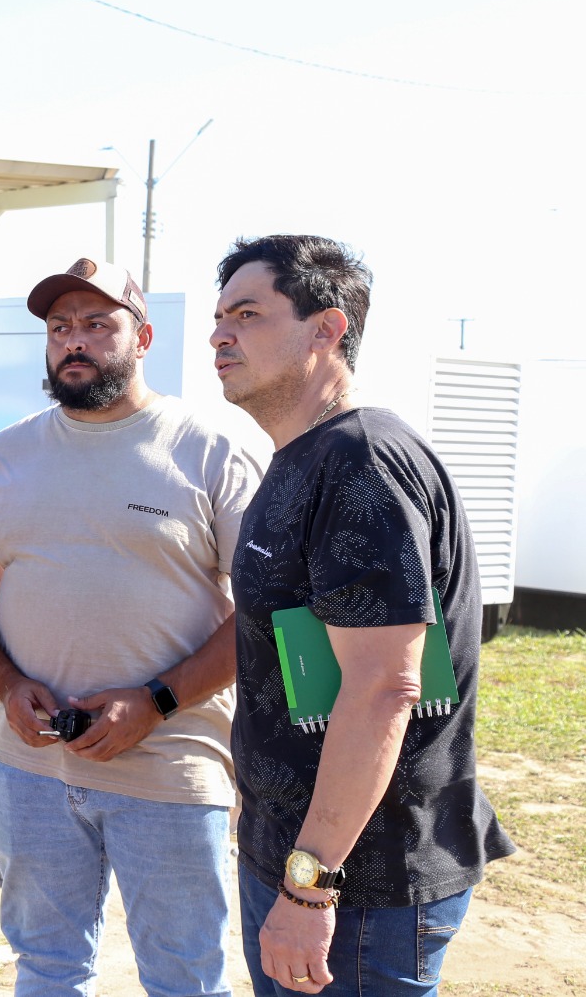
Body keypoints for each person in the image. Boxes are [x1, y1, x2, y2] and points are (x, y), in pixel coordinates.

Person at [0, 257, 261, 996]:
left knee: (183, 980)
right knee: (47, 969)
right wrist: (6, 685)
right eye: (59, 328)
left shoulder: (211, 448)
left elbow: (265, 612)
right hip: (31, 765)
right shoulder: (6, 455)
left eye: (96, 324)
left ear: (142, 338)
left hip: (172, 765)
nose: (73, 341)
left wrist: (157, 701)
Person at [210, 235, 515, 996]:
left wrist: (311, 886)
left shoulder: (361, 460)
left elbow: (383, 688)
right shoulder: (303, 457)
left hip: (358, 886)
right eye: (219, 318)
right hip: (301, 859)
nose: (220, 336)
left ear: (326, 328)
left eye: (247, 314)